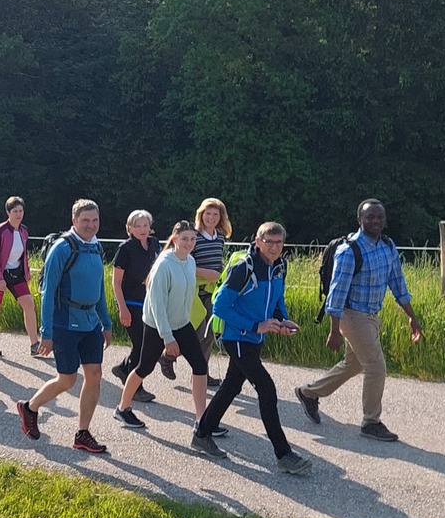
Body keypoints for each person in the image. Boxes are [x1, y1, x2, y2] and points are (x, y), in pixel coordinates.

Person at [295, 200, 425, 441]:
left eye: (379, 217)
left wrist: (412, 318)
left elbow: (398, 285)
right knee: (376, 367)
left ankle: (309, 393)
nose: (375, 221)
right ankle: (370, 422)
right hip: (352, 316)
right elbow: (337, 292)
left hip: (371, 315)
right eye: (369, 218)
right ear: (360, 221)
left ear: (384, 220)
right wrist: (334, 330)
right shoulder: (350, 250)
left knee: (354, 365)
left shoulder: (387, 246)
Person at [192, 222, 312, 473]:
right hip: (237, 337)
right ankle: (284, 454)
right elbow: (220, 307)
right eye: (269, 242)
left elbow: (277, 298)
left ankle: (202, 433)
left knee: (231, 386)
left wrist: (281, 320)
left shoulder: (280, 266)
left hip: (254, 338)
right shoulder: (243, 268)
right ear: (258, 242)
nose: (274, 247)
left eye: (279, 242)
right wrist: (255, 326)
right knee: (266, 389)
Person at [14, 199, 111, 454]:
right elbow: (47, 293)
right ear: (74, 221)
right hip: (65, 323)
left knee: (95, 376)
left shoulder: (96, 247)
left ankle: (82, 433)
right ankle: (30, 407)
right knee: (67, 380)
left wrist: (106, 321)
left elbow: (99, 288)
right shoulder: (63, 248)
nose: (90, 225)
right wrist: (46, 333)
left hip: (90, 322)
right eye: (85, 221)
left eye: (94, 220)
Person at [116, 221, 213, 428]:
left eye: (193, 239)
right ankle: (122, 408)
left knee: (199, 365)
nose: (189, 243)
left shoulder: (190, 262)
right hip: (157, 325)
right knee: (144, 367)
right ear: (175, 239)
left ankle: (201, 419)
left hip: (181, 322)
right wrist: (168, 338)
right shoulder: (164, 265)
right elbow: (158, 306)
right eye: (184, 239)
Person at [0, 196, 42, 359]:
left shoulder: (24, 230)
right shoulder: (0, 231)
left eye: (20, 210)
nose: (18, 214)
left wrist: (27, 272)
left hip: (17, 274)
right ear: (8, 212)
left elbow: (23, 254)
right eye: (15, 211)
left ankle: (34, 344)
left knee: (29, 304)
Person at [109, 210, 160, 400]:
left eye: (145, 225)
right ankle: (136, 389)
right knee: (141, 345)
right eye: (137, 226)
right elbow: (116, 282)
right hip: (129, 301)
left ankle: (124, 368)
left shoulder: (154, 244)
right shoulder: (125, 249)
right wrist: (122, 308)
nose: (142, 229)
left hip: (148, 301)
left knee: (146, 344)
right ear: (129, 228)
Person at [189, 198, 233, 362]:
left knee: (209, 333)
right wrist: (205, 273)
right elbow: (185, 263)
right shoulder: (193, 236)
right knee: (197, 332)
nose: (211, 217)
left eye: (215, 214)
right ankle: (169, 355)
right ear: (201, 214)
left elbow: (217, 260)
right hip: (195, 291)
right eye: (208, 213)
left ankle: (202, 372)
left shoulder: (220, 236)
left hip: (213, 290)